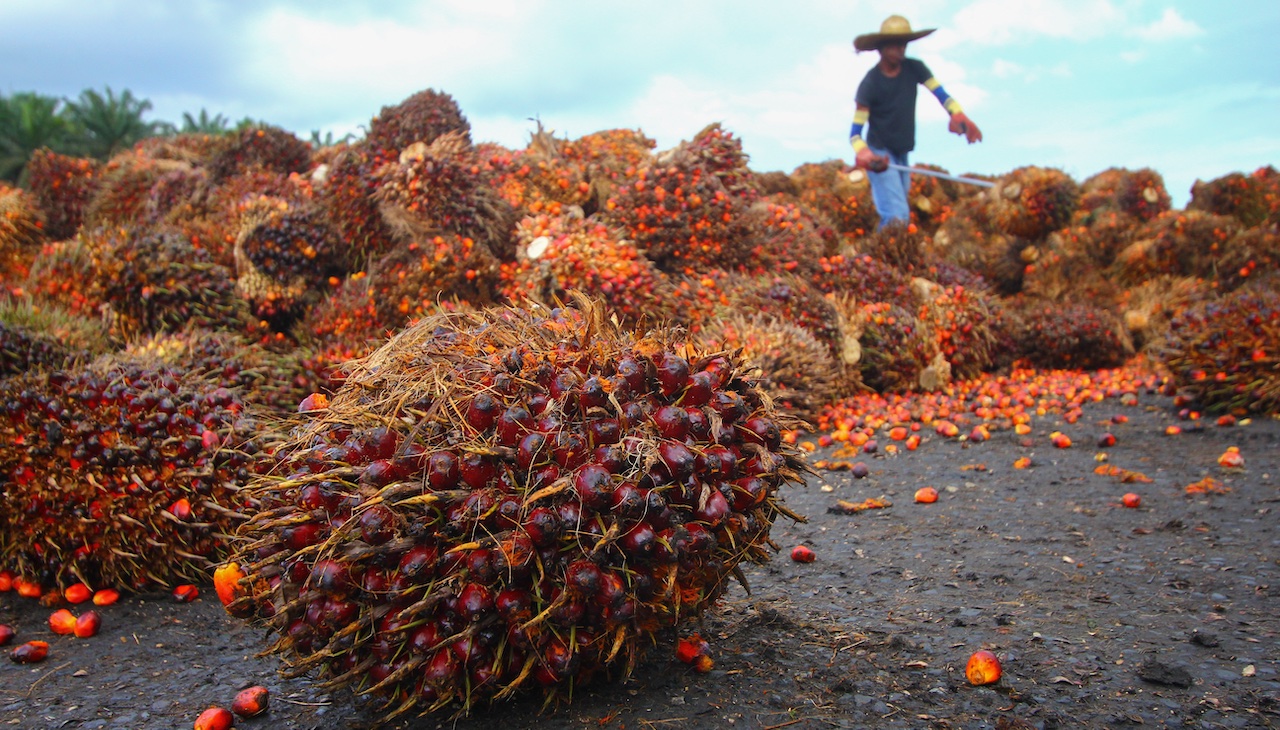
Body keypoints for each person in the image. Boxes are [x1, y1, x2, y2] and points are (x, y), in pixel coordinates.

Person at [849, 14, 983, 228]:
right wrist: (863, 152)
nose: (901, 49)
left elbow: (941, 93)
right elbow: (855, 133)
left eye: (904, 44)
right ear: (881, 48)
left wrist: (956, 113)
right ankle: (876, 261)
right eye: (895, 45)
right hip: (880, 155)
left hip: (902, 152)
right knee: (896, 216)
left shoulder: (915, 68)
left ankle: (879, 257)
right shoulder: (870, 83)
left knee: (900, 212)